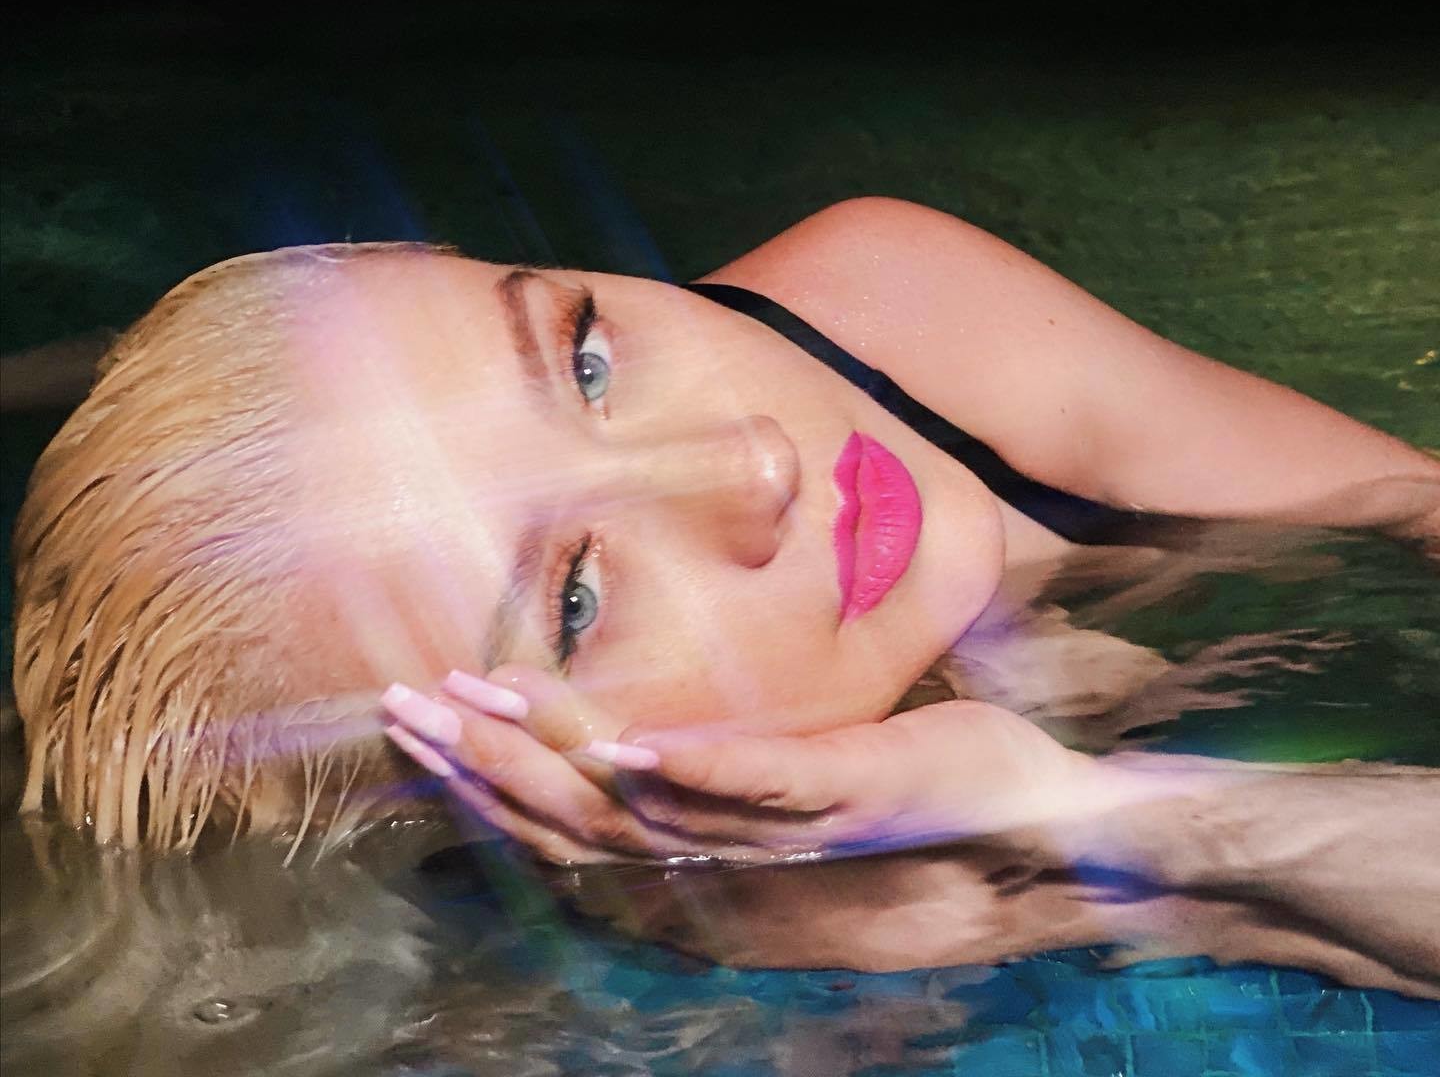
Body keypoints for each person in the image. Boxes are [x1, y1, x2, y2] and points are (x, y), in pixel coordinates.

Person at [9, 199, 1438, 988]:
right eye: (574, 602)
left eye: (584, 357)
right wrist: (1074, 820)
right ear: (507, 787)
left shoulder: (898, 318)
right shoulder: (735, 918)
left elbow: (1413, 505)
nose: (752, 459)